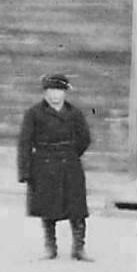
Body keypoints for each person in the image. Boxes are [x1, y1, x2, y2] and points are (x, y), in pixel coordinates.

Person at [16, 72, 95, 261]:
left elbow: (84, 138)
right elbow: (25, 143)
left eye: (59, 91)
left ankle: (79, 248)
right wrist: (25, 171)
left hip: (70, 165)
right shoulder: (34, 113)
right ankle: (50, 247)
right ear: (45, 93)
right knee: (47, 207)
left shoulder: (74, 113)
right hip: (44, 165)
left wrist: (70, 154)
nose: (54, 95)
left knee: (76, 208)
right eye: (50, 91)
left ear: (65, 93)